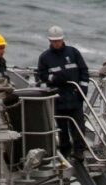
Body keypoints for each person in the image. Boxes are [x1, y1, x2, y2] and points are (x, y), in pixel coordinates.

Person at [36, 25, 89, 159]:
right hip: (58, 98)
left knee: (78, 126)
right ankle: (65, 151)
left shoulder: (73, 53)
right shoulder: (45, 57)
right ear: (50, 41)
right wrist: (53, 78)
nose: (56, 43)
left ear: (62, 39)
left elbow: (84, 71)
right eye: (54, 41)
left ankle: (79, 151)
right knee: (62, 128)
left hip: (74, 96)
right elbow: (41, 74)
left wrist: (83, 90)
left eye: (58, 41)